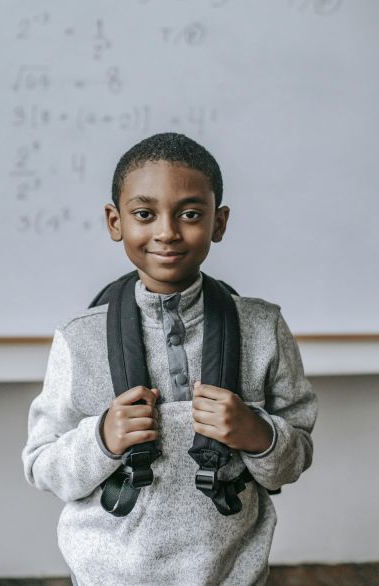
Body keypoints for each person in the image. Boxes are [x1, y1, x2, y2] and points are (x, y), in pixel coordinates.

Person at [22, 132, 318, 586]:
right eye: (144, 214)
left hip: (230, 572)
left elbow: (294, 457)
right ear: (114, 220)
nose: (166, 231)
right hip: (109, 574)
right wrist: (101, 438)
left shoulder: (263, 328)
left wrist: (258, 434)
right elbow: (43, 466)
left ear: (219, 223)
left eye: (191, 214)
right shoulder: (78, 339)